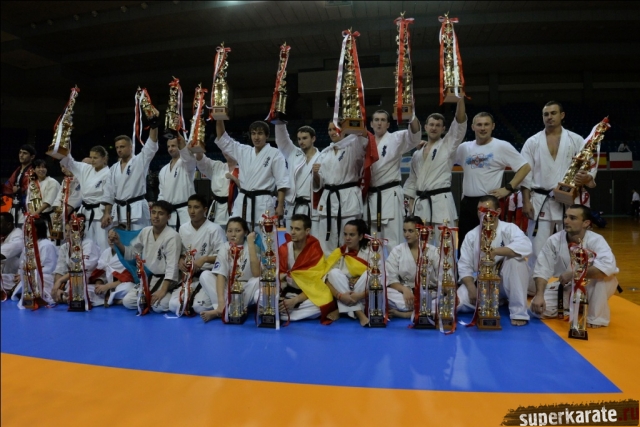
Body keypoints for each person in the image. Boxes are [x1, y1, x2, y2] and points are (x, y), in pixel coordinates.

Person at [520, 101, 595, 293]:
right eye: (546, 114)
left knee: (570, 247)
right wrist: (526, 201)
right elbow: (525, 174)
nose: (549, 117)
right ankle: (534, 289)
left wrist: (587, 177)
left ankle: (569, 288)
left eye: (553, 113)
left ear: (562, 115)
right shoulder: (532, 142)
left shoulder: (576, 140)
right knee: (537, 248)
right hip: (540, 200)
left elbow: (589, 166)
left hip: (568, 202)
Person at [530, 205, 619, 327]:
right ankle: (577, 305)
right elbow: (542, 269)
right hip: (567, 285)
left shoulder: (596, 240)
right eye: (565, 217)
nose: (566, 221)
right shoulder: (554, 240)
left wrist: (574, 274)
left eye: (572, 218)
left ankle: (596, 318)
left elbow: (606, 268)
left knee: (600, 280)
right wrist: (539, 295)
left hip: (592, 285)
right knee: (537, 310)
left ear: (586, 223)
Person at [455, 112, 531, 249]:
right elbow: (445, 156)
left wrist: (508, 188)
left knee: (490, 243)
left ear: (493, 126)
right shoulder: (463, 148)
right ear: (473, 127)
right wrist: (429, 144)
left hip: (489, 203)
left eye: (486, 124)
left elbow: (525, 167)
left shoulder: (501, 146)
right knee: (465, 244)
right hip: (467, 203)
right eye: (479, 124)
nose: (483, 128)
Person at [457, 195, 532, 326]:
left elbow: (526, 246)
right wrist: (471, 288)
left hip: (507, 281)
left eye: (486, 210)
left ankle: (519, 312)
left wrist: (496, 251)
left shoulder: (509, 228)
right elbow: (464, 265)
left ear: (497, 212)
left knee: (516, 261)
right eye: (479, 210)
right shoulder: (471, 235)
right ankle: (497, 301)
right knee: (457, 302)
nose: (482, 214)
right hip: (484, 283)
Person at [405, 98, 466, 242]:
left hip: (441, 202)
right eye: (431, 125)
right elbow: (412, 181)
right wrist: (411, 206)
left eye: (438, 125)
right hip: (420, 204)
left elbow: (459, 123)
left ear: (443, 129)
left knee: (445, 245)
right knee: (421, 246)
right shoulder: (416, 154)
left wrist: (459, 98)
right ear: (425, 127)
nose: (434, 128)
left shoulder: (447, 146)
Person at [214, 120, 289, 232]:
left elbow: (282, 181)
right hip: (242, 202)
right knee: (238, 237)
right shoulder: (244, 151)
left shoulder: (275, 154)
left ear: (267, 136)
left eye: (260, 133)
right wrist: (219, 119)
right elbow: (223, 139)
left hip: (263, 203)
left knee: (267, 238)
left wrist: (280, 205)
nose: (256, 137)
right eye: (253, 133)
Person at [110, 200, 181, 313]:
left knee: (159, 306)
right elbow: (133, 253)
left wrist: (163, 290)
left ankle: (169, 294)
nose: (156, 216)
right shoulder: (145, 231)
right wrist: (118, 243)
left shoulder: (173, 236)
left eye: (161, 213)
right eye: (153, 212)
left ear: (168, 217)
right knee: (128, 302)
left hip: (167, 281)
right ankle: (150, 298)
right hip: (150, 279)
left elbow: (172, 266)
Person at [364, 110, 421, 249]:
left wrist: (411, 115)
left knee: (394, 241)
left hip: (390, 194)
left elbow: (414, 137)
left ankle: (396, 264)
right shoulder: (365, 142)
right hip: (371, 196)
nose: (379, 123)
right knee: (373, 242)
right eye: (376, 120)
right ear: (371, 124)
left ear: (388, 124)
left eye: (383, 120)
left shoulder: (396, 138)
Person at [314, 122, 367, 255]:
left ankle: (351, 265)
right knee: (326, 241)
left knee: (350, 239)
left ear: (344, 129)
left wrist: (353, 122)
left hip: (348, 199)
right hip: (328, 199)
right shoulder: (325, 153)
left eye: (335, 129)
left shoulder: (353, 146)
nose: (332, 132)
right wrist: (315, 174)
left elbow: (364, 137)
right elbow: (318, 184)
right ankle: (328, 266)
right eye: (330, 129)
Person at [169, 194, 225, 315]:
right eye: (189, 207)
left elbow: (224, 257)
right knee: (174, 306)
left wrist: (205, 259)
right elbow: (181, 253)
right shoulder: (183, 228)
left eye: (196, 207)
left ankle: (221, 306)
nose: (192, 211)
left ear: (205, 210)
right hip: (190, 276)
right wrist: (180, 260)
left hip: (208, 275)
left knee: (199, 306)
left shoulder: (215, 229)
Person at [278, 213, 338, 323]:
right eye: (291, 228)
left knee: (321, 303)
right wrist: (282, 278)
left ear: (307, 231)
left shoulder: (314, 251)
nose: (292, 232)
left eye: (297, 229)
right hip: (288, 291)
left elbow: (315, 284)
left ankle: (284, 313)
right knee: (260, 295)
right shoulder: (284, 249)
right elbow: (277, 276)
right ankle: (285, 310)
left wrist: (295, 300)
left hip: (307, 295)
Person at [198, 217, 260, 322]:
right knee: (205, 275)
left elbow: (256, 273)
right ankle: (221, 309)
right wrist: (221, 301)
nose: (233, 234)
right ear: (226, 233)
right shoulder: (224, 247)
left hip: (245, 288)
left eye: (238, 231)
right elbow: (220, 275)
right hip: (228, 286)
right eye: (230, 231)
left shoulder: (253, 246)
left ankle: (228, 310)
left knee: (258, 280)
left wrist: (250, 244)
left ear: (245, 232)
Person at [103, 119, 159, 230]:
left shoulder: (139, 161)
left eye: (122, 147)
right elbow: (108, 193)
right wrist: (107, 213)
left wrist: (154, 124)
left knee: (139, 239)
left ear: (130, 147)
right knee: (119, 240)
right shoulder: (113, 168)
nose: (119, 150)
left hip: (137, 210)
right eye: (117, 147)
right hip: (118, 212)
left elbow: (151, 145)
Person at [385, 217, 440, 318]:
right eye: (404, 231)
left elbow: (442, 277)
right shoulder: (397, 251)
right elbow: (392, 279)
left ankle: (408, 313)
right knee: (383, 293)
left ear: (419, 231)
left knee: (448, 299)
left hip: (430, 294)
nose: (406, 234)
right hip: (407, 295)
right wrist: (404, 289)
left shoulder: (433, 251)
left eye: (410, 231)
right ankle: (423, 310)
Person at [324, 219, 374, 326]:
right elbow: (326, 279)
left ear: (360, 236)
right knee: (334, 273)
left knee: (370, 275)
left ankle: (341, 310)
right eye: (345, 234)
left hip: (363, 294)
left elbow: (380, 279)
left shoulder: (371, 251)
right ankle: (359, 313)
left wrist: (359, 295)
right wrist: (339, 296)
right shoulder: (339, 252)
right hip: (344, 293)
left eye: (352, 235)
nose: (347, 238)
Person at [60, 146, 111, 251]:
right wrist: (66, 151)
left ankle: (103, 261)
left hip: (100, 213)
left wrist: (107, 213)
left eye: (95, 158)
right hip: (84, 212)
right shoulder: (86, 168)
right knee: (86, 243)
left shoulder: (108, 173)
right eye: (91, 157)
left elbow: (109, 196)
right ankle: (88, 261)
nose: (92, 160)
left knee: (102, 243)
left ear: (104, 158)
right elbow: (70, 163)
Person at [275, 124, 322, 234]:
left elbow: (322, 184)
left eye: (305, 138)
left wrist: (316, 174)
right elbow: (282, 139)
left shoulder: (322, 157)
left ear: (313, 139)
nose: (301, 142)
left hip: (312, 208)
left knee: (312, 241)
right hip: (293, 206)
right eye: (299, 139)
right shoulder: (293, 153)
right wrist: (280, 121)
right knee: (292, 240)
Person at [50, 214, 101, 307]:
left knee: (77, 281)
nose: (67, 234)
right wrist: (58, 287)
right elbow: (60, 269)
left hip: (90, 279)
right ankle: (64, 295)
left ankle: (68, 297)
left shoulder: (88, 244)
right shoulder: (64, 247)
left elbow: (82, 268)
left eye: (71, 231)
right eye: (66, 231)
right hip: (70, 279)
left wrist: (61, 281)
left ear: (80, 233)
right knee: (51, 284)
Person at [11, 218, 58, 308]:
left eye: (29, 228)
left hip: (43, 277)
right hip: (26, 275)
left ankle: (29, 293)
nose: (26, 231)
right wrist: (20, 275)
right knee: (5, 278)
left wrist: (26, 275)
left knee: (31, 279)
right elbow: (22, 264)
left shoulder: (46, 245)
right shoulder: (29, 244)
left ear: (37, 229)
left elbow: (48, 268)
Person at [157, 135, 196, 230]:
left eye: (173, 146)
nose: (170, 149)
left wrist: (178, 135)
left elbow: (186, 156)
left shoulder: (187, 164)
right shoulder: (163, 170)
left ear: (180, 146)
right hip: (169, 215)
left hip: (185, 214)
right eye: (168, 146)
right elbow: (161, 194)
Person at [91, 231, 136, 307]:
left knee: (128, 287)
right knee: (88, 289)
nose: (111, 240)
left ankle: (111, 298)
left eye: (114, 238)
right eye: (109, 238)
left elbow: (129, 278)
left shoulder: (126, 252)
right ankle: (115, 299)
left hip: (120, 285)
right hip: (107, 287)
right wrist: (98, 284)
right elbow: (101, 274)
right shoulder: (106, 252)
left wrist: (107, 286)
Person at [195, 151, 238, 228]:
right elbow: (203, 162)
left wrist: (234, 179)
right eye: (224, 150)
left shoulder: (242, 169)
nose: (226, 152)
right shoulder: (217, 166)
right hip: (216, 208)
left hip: (234, 207)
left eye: (229, 149)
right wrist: (198, 150)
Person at [1, 144, 35, 227]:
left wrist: (20, 190)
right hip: (15, 206)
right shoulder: (18, 170)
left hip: (27, 207)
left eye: (25, 153)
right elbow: (8, 187)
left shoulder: (33, 170)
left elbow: (34, 188)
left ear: (32, 157)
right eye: (20, 152)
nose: (21, 155)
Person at [24, 159, 60, 232]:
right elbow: (29, 201)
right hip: (35, 218)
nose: (41, 169)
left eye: (43, 167)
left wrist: (35, 214)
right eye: (38, 167)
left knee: (48, 237)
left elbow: (48, 202)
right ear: (34, 170)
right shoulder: (32, 183)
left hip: (49, 217)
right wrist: (32, 214)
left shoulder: (52, 182)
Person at [1, 212, 23, 297]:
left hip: (16, 278)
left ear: (9, 225)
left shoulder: (18, 236)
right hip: (6, 276)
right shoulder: (4, 235)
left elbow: (2, 254)